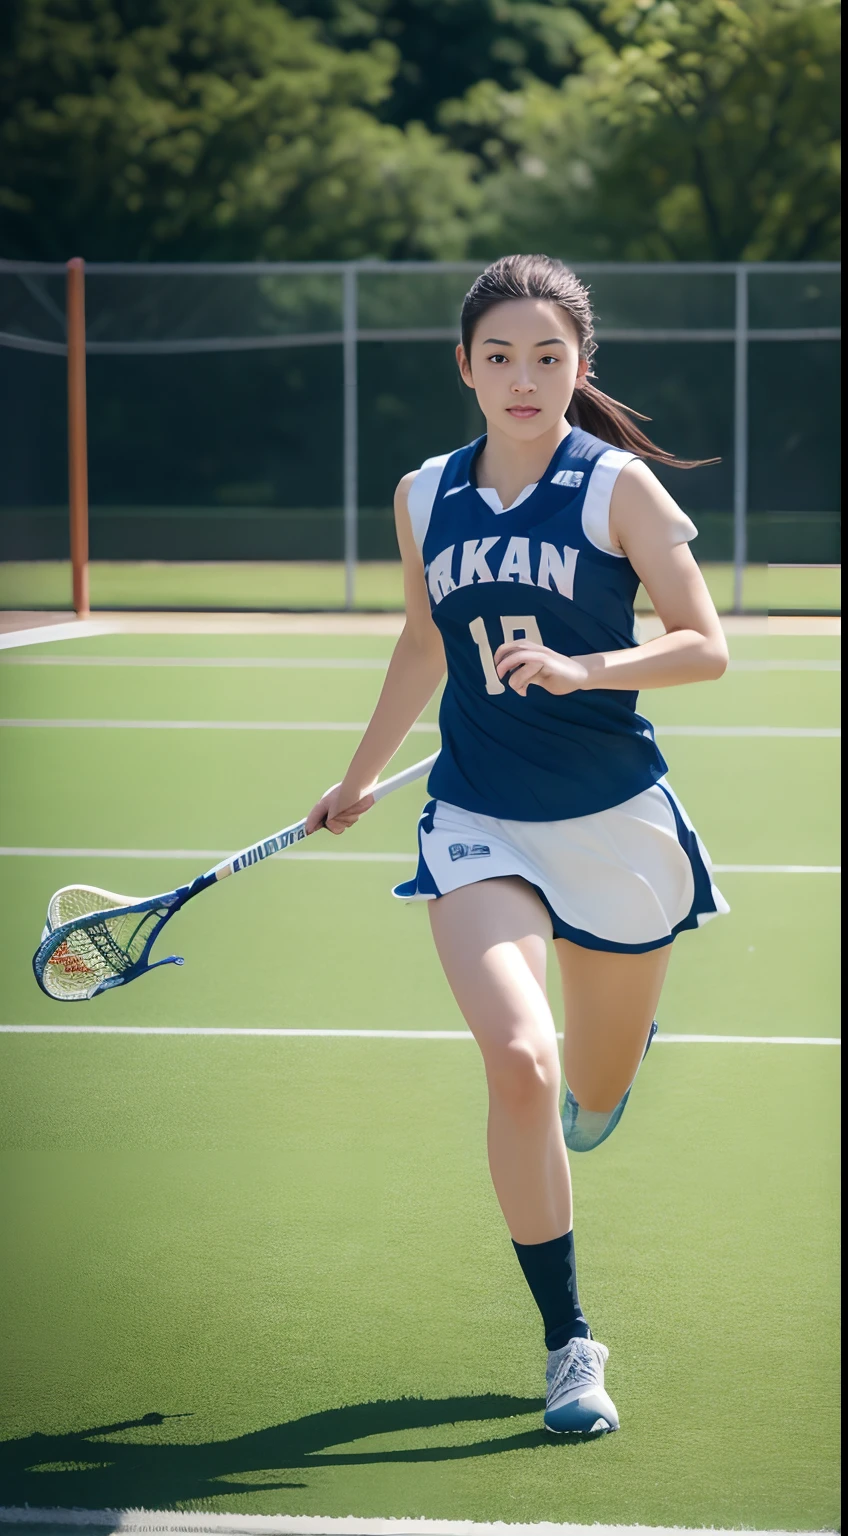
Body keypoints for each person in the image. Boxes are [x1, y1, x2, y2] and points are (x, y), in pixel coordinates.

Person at [306, 253, 730, 1436]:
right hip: (479, 818)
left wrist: (584, 664)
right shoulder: (422, 493)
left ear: (578, 366)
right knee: (521, 1061)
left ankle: (623, 1044)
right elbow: (419, 642)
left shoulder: (617, 490)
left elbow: (704, 646)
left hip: (615, 827)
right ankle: (568, 1343)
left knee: (589, 1088)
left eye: (548, 356)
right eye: (499, 355)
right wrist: (352, 779)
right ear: (465, 368)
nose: (523, 376)